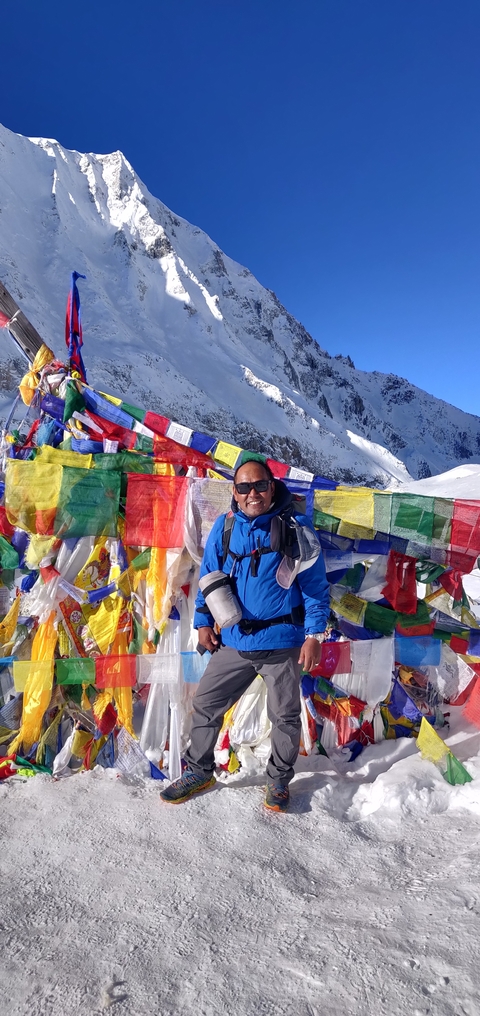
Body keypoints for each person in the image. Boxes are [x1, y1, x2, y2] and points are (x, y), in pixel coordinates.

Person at [160, 458, 330, 812]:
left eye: (260, 485)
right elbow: (210, 578)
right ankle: (199, 772)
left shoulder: (297, 528)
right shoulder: (224, 528)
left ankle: (279, 780)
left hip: (283, 642)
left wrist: (314, 634)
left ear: (272, 487)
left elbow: (315, 588)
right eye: (243, 487)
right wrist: (203, 623)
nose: (252, 493)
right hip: (235, 641)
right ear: (234, 493)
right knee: (206, 704)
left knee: (283, 716)